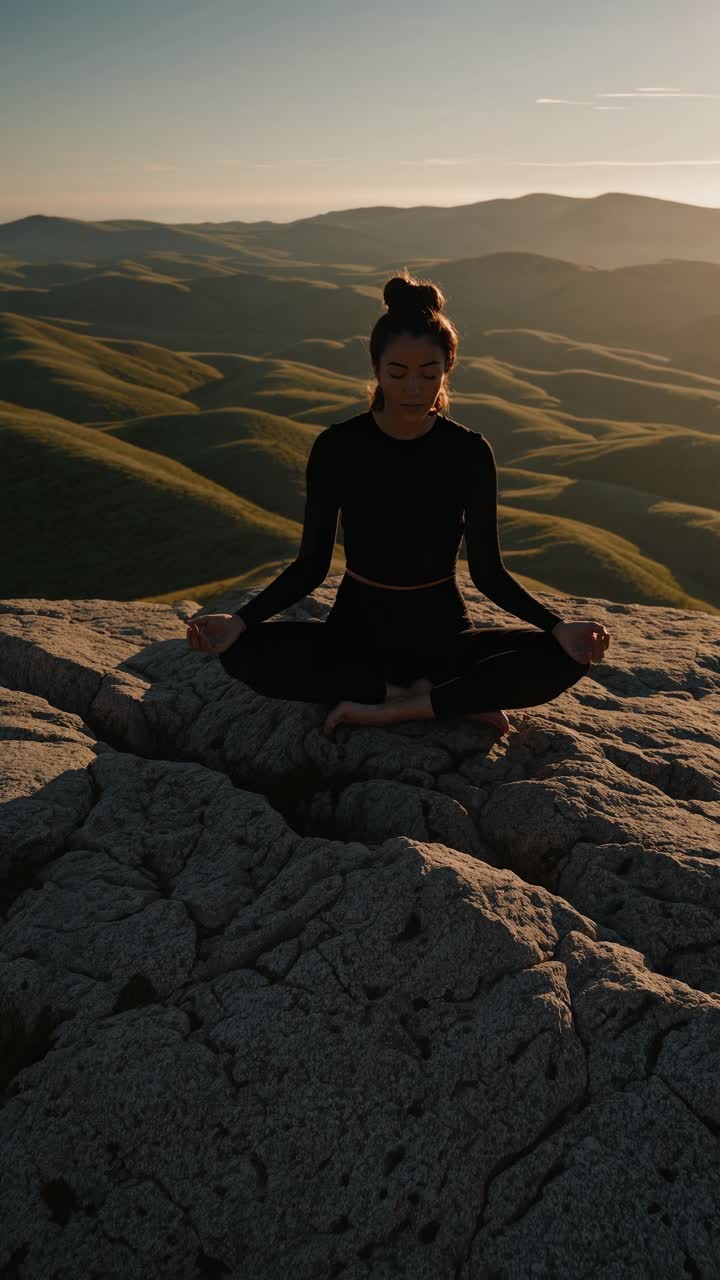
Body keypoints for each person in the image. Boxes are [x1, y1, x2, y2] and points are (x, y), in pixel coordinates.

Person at [187, 269, 610, 736]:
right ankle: (440, 699)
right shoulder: (338, 446)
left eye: (429, 374)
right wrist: (241, 621)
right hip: (354, 634)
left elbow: (489, 573)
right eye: (397, 373)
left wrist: (556, 627)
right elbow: (311, 565)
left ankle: (390, 707)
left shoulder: (468, 451)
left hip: (444, 637)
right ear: (376, 370)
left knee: (566, 657)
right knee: (243, 653)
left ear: (447, 370)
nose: (413, 388)